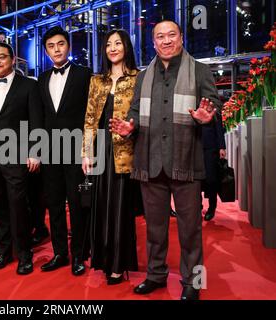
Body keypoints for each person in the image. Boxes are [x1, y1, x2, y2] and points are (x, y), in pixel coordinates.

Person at [110, 20, 221, 300]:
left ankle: (194, 282)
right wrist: (129, 126)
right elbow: (135, 110)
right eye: (160, 36)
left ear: (182, 38)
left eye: (172, 35)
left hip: (187, 160)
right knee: (155, 228)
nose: (166, 40)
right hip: (150, 160)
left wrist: (208, 117)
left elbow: (213, 104)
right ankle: (156, 275)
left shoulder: (199, 70)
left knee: (191, 230)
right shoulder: (144, 75)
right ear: (154, 42)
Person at [0, 42, 43, 275]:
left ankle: (24, 254)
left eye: (1, 57)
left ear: (12, 59)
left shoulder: (28, 86)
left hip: (17, 155)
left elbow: (36, 121)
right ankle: (3, 252)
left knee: (18, 206)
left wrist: (35, 151)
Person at [81, 29, 140, 284]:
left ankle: (118, 264)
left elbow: (141, 117)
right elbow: (90, 119)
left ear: (126, 46)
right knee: (101, 207)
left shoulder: (138, 78)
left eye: (117, 43)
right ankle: (103, 261)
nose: (112, 48)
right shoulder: (98, 80)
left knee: (120, 209)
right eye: (108, 44)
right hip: (100, 150)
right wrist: (85, 152)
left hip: (125, 152)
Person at [38, 26, 92, 275]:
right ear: (46, 50)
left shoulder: (85, 75)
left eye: (60, 44)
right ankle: (60, 253)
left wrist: (88, 151)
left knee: (78, 203)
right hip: (50, 152)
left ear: (68, 46)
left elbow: (92, 117)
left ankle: (79, 255)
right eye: (51, 46)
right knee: (55, 204)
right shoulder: (42, 78)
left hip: (77, 152)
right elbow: (39, 117)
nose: (56, 49)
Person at [202, 119, 226, 221]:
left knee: (211, 179)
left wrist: (221, 147)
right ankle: (197, 206)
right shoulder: (191, 104)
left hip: (211, 148)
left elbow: (219, 128)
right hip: (195, 146)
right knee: (195, 180)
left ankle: (212, 207)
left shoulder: (213, 106)